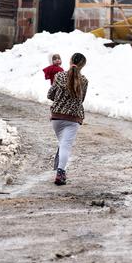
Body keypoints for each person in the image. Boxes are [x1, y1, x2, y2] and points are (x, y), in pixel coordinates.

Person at [47, 53, 88, 185]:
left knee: (63, 144)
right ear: (83, 65)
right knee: (65, 145)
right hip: (73, 117)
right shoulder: (84, 81)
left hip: (57, 116)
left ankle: (59, 167)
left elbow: (50, 94)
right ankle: (60, 173)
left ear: (70, 61)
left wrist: (60, 99)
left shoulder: (59, 76)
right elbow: (81, 100)